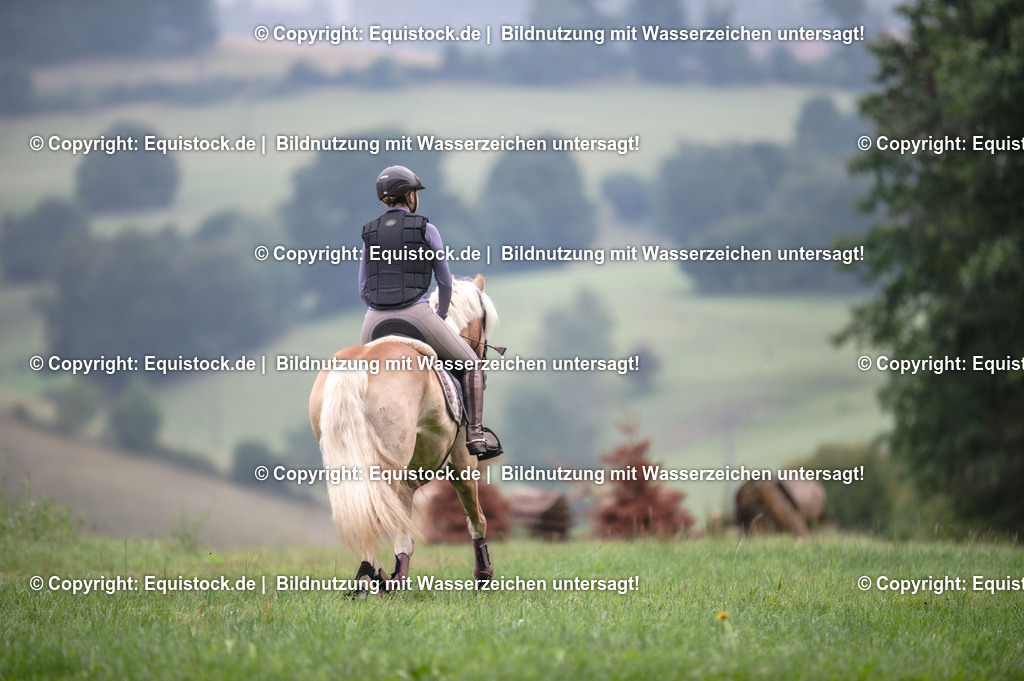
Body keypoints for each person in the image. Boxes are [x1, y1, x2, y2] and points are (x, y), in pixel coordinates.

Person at [357, 165, 495, 459]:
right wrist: (441, 315)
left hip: (374, 321)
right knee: (471, 363)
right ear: (409, 196)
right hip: (417, 316)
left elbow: (363, 287)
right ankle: (476, 435)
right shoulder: (426, 229)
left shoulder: (369, 233)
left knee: (359, 375)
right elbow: (445, 281)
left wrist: (379, 309)